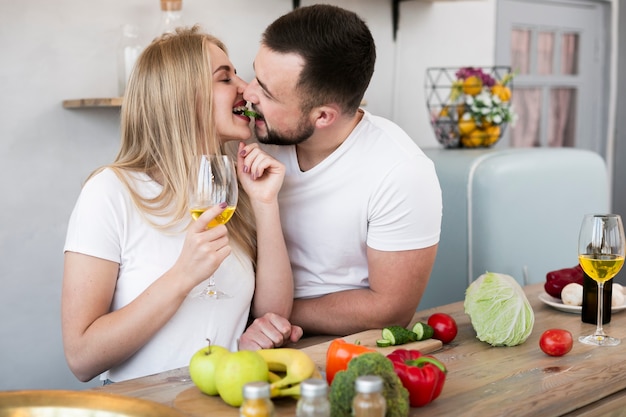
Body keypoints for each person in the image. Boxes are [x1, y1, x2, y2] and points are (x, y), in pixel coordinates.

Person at [61, 26, 301, 384]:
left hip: (223, 401)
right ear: (183, 97)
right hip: (141, 408)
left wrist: (265, 204)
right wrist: (183, 276)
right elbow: (81, 358)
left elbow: (272, 315)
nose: (246, 88)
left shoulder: (229, 193)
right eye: (225, 78)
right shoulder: (111, 192)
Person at [243, 5, 443, 336]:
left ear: (323, 116)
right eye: (255, 75)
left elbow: (389, 310)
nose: (249, 94)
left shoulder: (401, 171)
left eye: (266, 92)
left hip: (338, 343)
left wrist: (270, 313)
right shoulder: (255, 135)